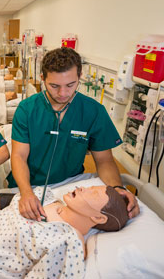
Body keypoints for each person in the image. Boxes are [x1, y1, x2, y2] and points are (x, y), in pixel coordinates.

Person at [9, 47, 139, 221]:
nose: (63, 93)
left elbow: (104, 161)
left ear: (80, 77)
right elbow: (18, 156)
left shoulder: (93, 112)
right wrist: (26, 193)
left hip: (70, 187)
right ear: (43, 79)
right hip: (28, 185)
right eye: (54, 86)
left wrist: (117, 189)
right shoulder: (27, 109)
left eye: (70, 85)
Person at [0, 185, 129, 278]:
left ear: (99, 218)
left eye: (92, 193)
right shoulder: (46, 196)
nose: (83, 188)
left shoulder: (68, 244)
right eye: (89, 187)